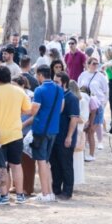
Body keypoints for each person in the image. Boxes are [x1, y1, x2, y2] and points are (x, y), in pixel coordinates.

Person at [0, 65, 32, 204]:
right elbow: (28, 110)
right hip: (15, 133)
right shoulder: (20, 92)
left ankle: (4, 196)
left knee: (1, 167)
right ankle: (20, 195)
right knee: (16, 165)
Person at [27, 66, 63, 203]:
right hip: (54, 129)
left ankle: (45, 193)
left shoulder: (39, 90)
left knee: (41, 162)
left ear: (40, 75)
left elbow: (33, 110)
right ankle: (50, 192)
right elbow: (60, 108)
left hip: (40, 129)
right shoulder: (59, 89)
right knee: (46, 162)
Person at [49, 72, 81, 201]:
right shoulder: (56, 96)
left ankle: (67, 191)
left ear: (64, 83)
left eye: (57, 82)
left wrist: (69, 137)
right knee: (55, 164)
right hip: (54, 136)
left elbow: (74, 119)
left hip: (65, 137)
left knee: (66, 165)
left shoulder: (71, 98)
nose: (55, 84)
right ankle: (56, 189)